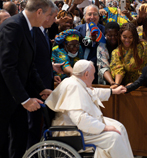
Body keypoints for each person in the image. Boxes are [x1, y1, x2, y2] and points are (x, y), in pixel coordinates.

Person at [45, 60, 134, 158]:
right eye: (93, 74)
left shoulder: (75, 81)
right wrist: (104, 128)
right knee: (114, 138)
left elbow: (92, 93)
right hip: (72, 132)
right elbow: (80, 119)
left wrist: (113, 91)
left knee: (119, 126)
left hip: (77, 126)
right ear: (86, 74)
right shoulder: (73, 86)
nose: (94, 77)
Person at [0, 0, 53, 157]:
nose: (50, 19)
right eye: (49, 15)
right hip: (5, 96)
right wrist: (25, 99)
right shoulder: (14, 26)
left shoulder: (30, 28)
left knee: (19, 141)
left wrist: (41, 88)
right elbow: (7, 67)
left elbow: (29, 66)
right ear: (39, 12)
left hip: (17, 98)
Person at [26, 4, 62, 149]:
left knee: (40, 125)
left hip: (45, 83)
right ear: (46, 15)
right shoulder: (33, 32)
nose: (54, 21)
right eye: (53, 17)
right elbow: (31, 63)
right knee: (33, 126)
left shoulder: (43, 31)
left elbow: (42, 59)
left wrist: (52, 70)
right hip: (35, 88)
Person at [110, 22, 147, 87]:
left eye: (130, 37)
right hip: (126, 85)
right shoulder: (116, 52)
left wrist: (136, 84)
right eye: (124, 37)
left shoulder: (142, 46)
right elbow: (118, 70)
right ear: (120, 36)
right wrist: (116, 84)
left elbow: (145, 67)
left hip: (142, 84)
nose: (127, 40)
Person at [74, 4, 105, 84]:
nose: (92, 17)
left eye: (95, 14)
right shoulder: (77, 30)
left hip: (96, 71)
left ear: (98, 16)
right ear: (84, 16)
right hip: (78, 70)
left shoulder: (104, 31)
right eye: (89, 14)